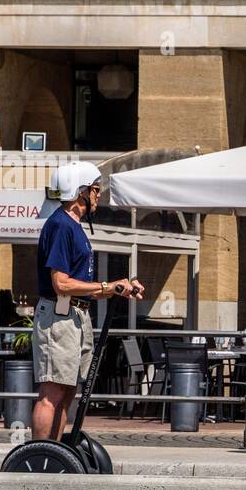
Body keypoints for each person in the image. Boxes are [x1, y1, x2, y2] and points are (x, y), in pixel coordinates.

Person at [32, 161, 144, 441]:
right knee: (52, 393)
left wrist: (120, 288)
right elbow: (61, 283)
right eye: (95, 190)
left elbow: (84, 287)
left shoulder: (76, 228)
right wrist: (107, 285)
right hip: (58, 317)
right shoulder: (60, 225)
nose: (99, 196)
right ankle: (40, 454)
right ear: (80, 191)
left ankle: (55, 452)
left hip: (76, 316)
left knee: (67, 391)